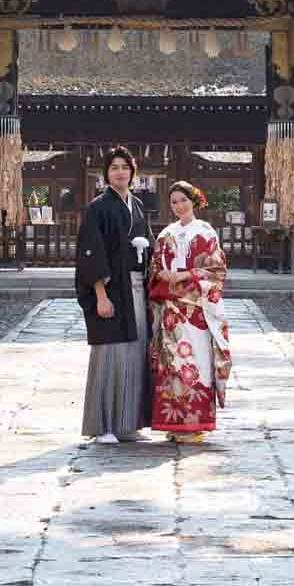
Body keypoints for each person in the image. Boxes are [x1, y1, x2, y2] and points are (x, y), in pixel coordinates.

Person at [75, 146, 154, 444]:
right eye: (114, 167)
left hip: (135, 287)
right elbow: (90, 253)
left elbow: (150, 247)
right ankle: (103, 426)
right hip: (110, 290)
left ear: (133, 171)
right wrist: (100, 295)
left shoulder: (136, 205)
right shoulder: (97, 207)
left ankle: (127, 424)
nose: (120, 172)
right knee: (109, 355)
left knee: (134, 354)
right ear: (106, 173)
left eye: (125, 167)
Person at [147, 181, 231, 443]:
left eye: (183, 200)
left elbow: (216, 271)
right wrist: (163, 275)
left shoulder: (206, 232)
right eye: (174, 202)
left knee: (196, 363)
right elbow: (153, 268)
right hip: (171, 310)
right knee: (172, 364)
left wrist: (183, 275)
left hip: (196, 309)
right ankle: (173, 423)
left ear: (194, 201)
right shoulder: (165, 234)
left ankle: (196, 424)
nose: (179, 206)